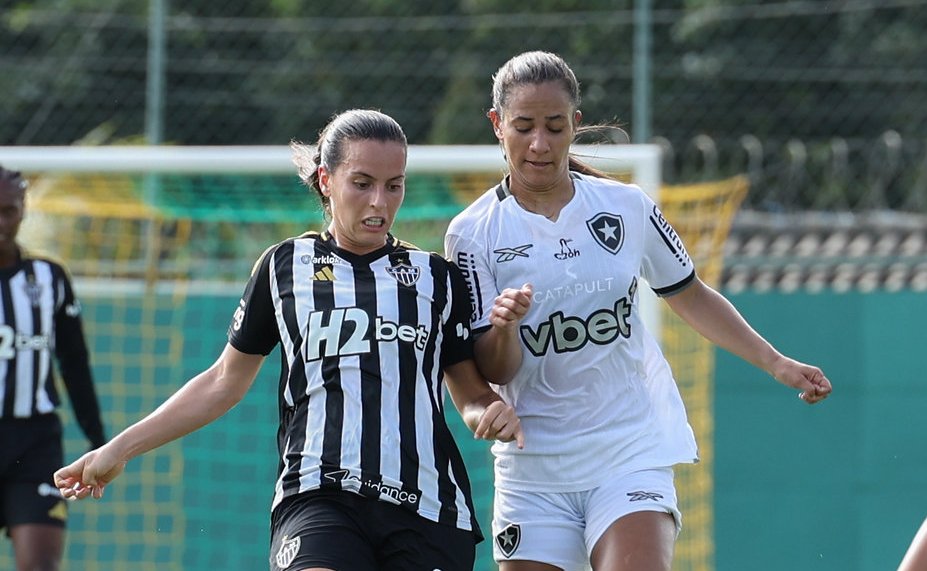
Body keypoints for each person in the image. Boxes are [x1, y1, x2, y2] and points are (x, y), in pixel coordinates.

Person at [54, 109, 523, 571]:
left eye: (394, 185)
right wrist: (118, 449)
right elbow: (222, 382)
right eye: (362, 183)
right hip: (317, 495)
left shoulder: (434, 278)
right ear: (325, 180)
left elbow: (470, 394)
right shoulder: (284, 267)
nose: (380, 201)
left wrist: (489, 412)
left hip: (427, 508)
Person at [444, 51, 833, 571]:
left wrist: (776, 362)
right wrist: (507, 326)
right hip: (532, 472)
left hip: (628, 456)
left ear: (575, 126)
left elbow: (689, 293)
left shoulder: (626, 208)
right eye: (524, 127)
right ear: (497, 125)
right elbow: (493, 369)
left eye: (555, 127)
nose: (540, 143)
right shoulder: (472, 234)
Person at [0, 165, 107, 571]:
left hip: (33, 444)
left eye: (8, 210)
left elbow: (74, 363)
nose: (1, 222)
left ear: (23, 209)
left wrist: (98, 439)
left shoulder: (49, 278)